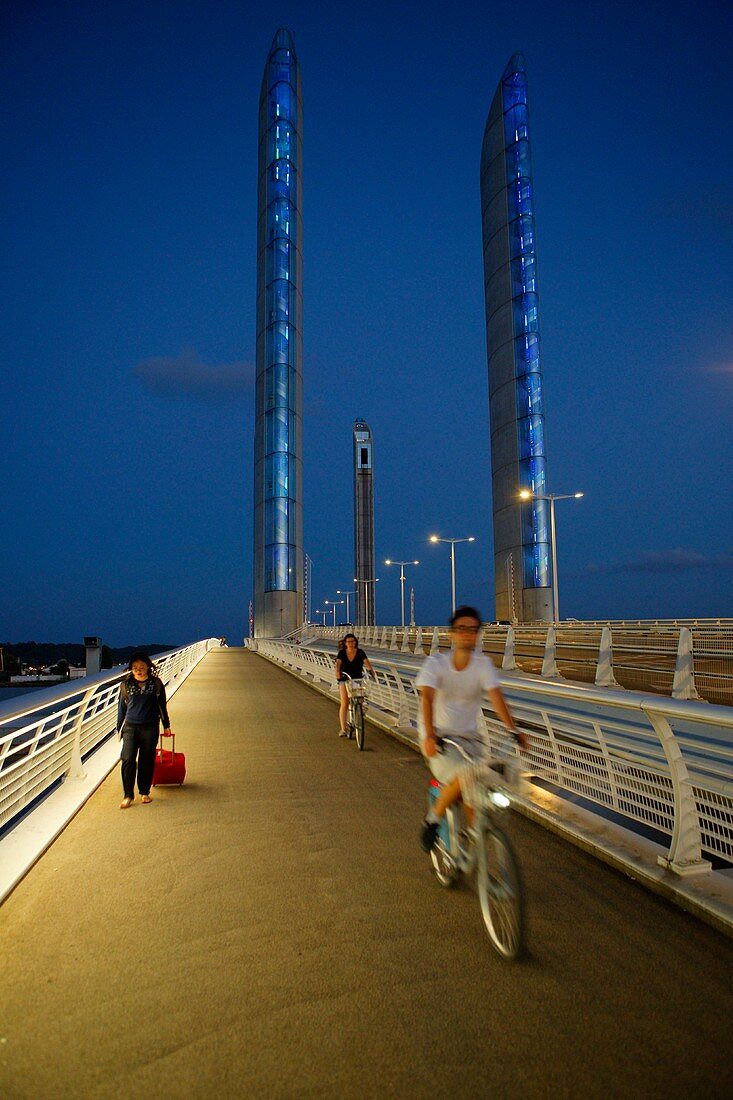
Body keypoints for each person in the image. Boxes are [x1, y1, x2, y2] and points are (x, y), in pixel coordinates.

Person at [416, 606, 527, 852]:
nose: (467, 634)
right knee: (465, 776)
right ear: (452, 634)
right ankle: (432, 819)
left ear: (478, 634)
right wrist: (430, 735)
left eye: (473, 630)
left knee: (476, 788)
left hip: (470, 738)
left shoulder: (482, 664)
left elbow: (496, 697)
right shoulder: (436, 663)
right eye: (462, 629)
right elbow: (427, 698)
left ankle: (475, 842)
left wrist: (514, 730)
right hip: (440, 738)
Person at [116, 651, 172, 809]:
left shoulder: (156, 684)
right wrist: (118, 729)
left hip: (150, 727)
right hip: (130, 727)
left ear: (148, 666)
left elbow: (162, 706)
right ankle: (128, 795)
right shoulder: (126, 685)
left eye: (141, 667)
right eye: (135, 668)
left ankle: (144, 792)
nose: (138, 670)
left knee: (146, 760)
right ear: (131, 669)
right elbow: (121, 708)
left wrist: (166, 726)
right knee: (127, 758)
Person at [334, 633, 376, 737]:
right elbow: (338, 663)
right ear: (345, 643)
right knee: (345, 702)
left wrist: (371, 671)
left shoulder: (360, 652)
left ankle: (358, 716)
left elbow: (366, 662)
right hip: (344, 679)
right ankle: (343, 729)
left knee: (360, 700)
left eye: (353, 641)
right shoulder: (342, 653)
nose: (351, 643)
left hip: (357, 679)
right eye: (348, 642)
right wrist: (337, 672)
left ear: (355, 642)